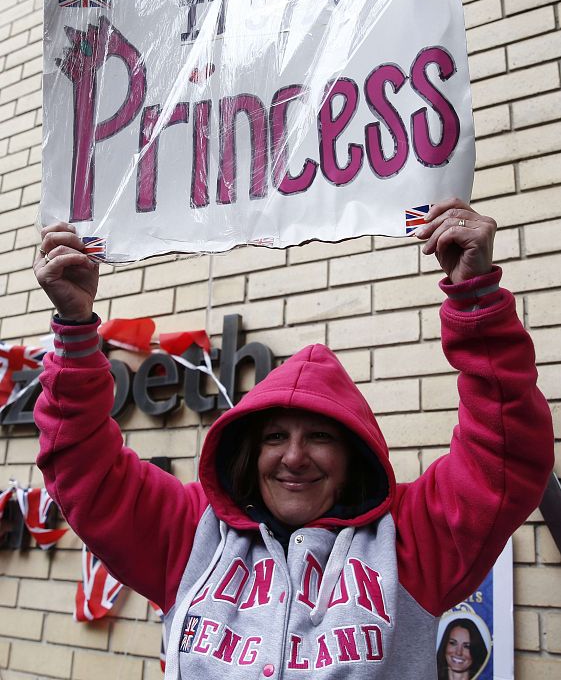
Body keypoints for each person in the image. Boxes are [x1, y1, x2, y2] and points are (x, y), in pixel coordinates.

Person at [33, 198, 553, 680]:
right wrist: (75, 327)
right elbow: (81, 463)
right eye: (276, 436)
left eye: (320, 436)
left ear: (353, 455)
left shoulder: (412, 539)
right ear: (249, 451)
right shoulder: (191, 533)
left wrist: (475, 297)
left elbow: (505, 453)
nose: (294, 457)